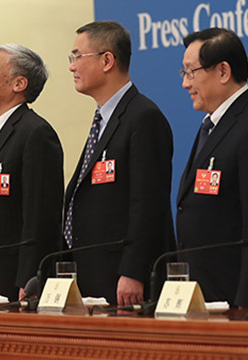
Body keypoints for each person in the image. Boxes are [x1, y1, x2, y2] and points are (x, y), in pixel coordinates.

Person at [63, 20, 174, 306]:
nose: (72, 67)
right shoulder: (103, 119)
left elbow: (148, 204)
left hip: (123, 278)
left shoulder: (143, 117)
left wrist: (133, 270)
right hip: (92, 272)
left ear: (107, 61)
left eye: (77, 56)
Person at [175, 29, 248, 308]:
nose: (185, 83)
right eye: (184, 73)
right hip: (200, 294)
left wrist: (247, 303)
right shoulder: (211, 125)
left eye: (191, 72)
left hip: (232, 296)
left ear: (223, 71)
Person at [0, 44, 64, 300]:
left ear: (19, 84)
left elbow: (41, 216)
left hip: (12, 277)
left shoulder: (36, 133)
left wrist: (30, 278)